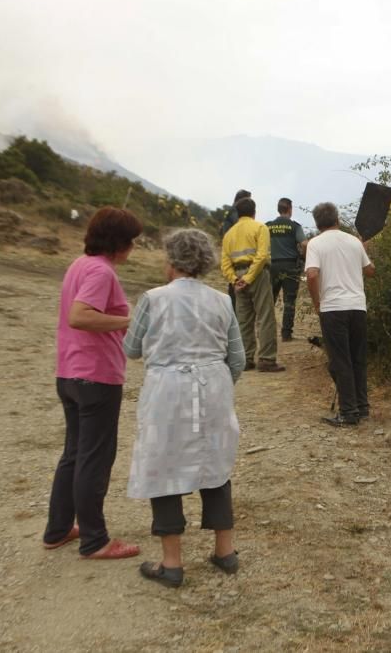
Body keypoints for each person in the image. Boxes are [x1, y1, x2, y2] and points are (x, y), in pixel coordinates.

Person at [124, 228, 244, 588]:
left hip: (168, 389)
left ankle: (172, 563)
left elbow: (131, 348)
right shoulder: (222, 300)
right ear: (205, 262)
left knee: (164, 465)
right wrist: (217, 382)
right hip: (214, 385)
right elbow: (236, 357)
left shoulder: (153, 298)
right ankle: (225, 552)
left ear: (171, 261)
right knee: (215, 463)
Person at [43, 207, 143, 560]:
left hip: (69, 373)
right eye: (130, 241)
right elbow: (80, 315)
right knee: (94, 458)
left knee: (73, 454)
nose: (133, 247)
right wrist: (126, 320)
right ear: (118, 242)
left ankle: (57, 530)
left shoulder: (78, 265)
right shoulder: (102, 272)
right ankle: (95, 540)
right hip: (96, 376)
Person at [305, 202, 375, 426]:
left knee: (340, 360)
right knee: (357, 358)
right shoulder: (354, 241)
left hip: (333, 308)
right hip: (357, 307)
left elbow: (313, 275)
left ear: (317, 223)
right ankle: (362, 407)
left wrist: (317, 303)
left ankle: (348, 412)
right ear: (337, 219)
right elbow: (371, 271)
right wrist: (363, 251)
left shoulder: (315, 244)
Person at [220, 197, 285, 372]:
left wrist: (235, 280)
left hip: (238, 278)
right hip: (257, 275)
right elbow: (262, 256)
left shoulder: (229, 234)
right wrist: (249, 278)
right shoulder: (260, 228)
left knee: (244, 320)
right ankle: (266, 359)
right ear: (254, 212)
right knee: (265, 317)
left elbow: (225, 263)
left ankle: (246, 359)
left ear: (237, 213)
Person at [266, 197, 307, 341]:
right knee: (289, 301)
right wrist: (303, 257)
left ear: (278, 209)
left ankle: (267, 332)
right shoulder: (295, 226)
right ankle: (286, 334)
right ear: (290, 209)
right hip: (290, 267)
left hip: (273, 266)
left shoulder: (268, 226)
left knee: (270, 300)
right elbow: (304, 244)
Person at [219, 189, 252, 311]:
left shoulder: (229, 210)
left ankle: (234, 309)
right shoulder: (234, 211)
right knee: (234, 280)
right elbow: (241, 225)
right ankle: (234, 311)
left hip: (229, 247)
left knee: (233, 279)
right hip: (234, 249)